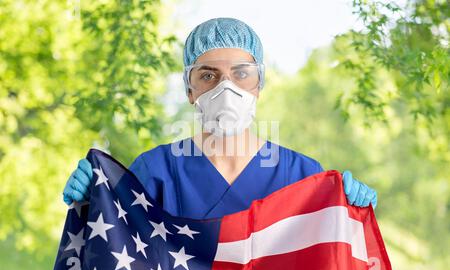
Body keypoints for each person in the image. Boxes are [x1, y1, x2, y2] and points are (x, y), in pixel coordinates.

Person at [62, 17, 377, 219]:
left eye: (241, 74)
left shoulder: (303, 176)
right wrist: (93, 203)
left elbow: (327, 263)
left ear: (259, 86)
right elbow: (118, 252)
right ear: (190, 90)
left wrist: (352, 213)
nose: (226, 88)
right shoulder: (155, 172)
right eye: (209, 75)